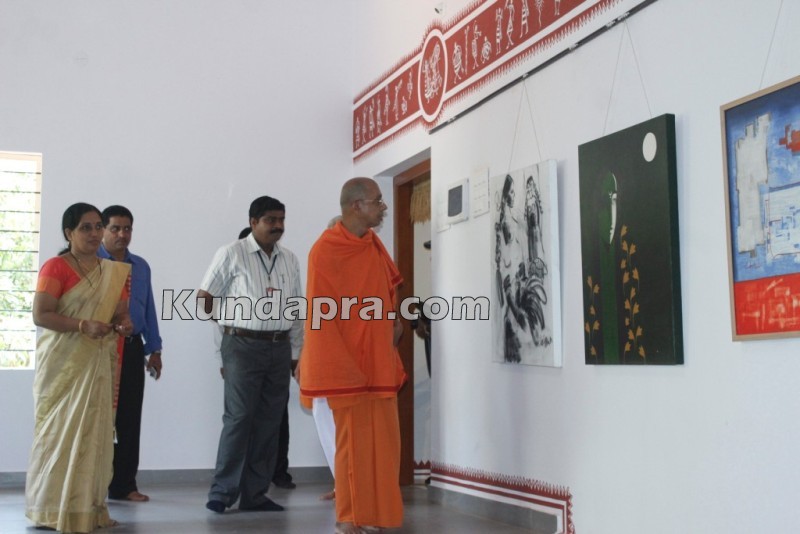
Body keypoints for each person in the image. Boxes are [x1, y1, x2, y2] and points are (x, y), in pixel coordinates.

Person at [299, 177, 406, 534]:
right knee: (351, 446)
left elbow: (387, 293)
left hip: (378, 359)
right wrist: (338, 365)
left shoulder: (374, 245)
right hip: (345, 364)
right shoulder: (325, 250)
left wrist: (395, 321)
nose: (383, 207)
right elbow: (320, 312)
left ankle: (379, 515)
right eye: (378, 201)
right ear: (356, 206)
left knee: (385, 444)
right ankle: (349, 516)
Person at [26, 202, 133, 533]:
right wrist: (81, 325)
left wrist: (125, 324)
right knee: (57, 433)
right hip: (64, 367)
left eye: (98, 226)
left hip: (97, 365)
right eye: (85, 227)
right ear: (69, 233)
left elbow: (120, 314)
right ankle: (49, 508)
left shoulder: (112, 271)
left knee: (95, 434)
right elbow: (41, 315)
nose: (94, 233)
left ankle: (88, 508)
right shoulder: (55, 268)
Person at [199, 196, 303, 514]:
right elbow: (205, 297)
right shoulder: (231, 253)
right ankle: (222, 491)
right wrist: (230, 330)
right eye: (271, 220)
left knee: (270, 422)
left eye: (281, 219)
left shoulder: (289, 258)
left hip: (279, 347)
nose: (278, 226)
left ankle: (255, 494)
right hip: (242, 347)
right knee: (239, 420)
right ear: (253, 221)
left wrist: (296, 354)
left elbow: (296, 308)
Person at [98, 205, 163, 503]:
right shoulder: (92, 261)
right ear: (102, 230)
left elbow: (147, 308)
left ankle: (124, 485)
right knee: (97, 418)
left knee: (128, 419)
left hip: (133, 347)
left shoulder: (141, 266)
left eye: (127, 229)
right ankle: (93, 485)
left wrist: (155, 348)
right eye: (115, 228)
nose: (122, 234)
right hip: (99, 346)